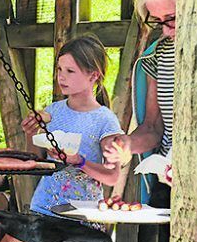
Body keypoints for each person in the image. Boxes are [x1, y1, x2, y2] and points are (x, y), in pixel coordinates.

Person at [102, 0, 176, 242]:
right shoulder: (157, 56)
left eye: (172, 19)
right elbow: (153, 127)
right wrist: (127, 142)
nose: (167, 30)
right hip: (166, 185)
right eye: (158, 22)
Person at [21, 35, 123, 227]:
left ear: (93, 76)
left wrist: (80, 162)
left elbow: (112, 176)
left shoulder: (105, 120)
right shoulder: (52, 112)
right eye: (59, 69)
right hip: (43, 209)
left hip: (82, 217)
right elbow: (36, 162)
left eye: (70, 71)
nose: (61, 77)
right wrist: (31, 134)